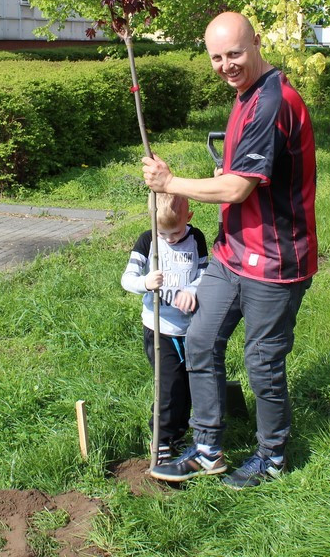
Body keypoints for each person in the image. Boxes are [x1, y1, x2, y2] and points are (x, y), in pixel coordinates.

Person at [142, 11, 317, 488]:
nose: (226, 65)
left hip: (276, 260)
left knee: (261, 361)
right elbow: (243, 173)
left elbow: (239, 189)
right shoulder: (245, 96)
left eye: (235, 53)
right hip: (232, 251)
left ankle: (272, 457)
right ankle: (207, 449)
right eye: (217, 57)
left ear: (257, 43)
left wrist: (170, 183)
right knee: (200, 340)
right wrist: (222, 176)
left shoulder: (272, 102)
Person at [121, 192, 208, 464]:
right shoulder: (148, 240)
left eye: (176, 232)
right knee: (169, 387)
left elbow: (205, 274)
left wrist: (193, 290)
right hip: (159, 328)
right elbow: (127, 279)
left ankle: (178, 432)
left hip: (189, 327)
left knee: (187, 385)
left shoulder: (197, 240)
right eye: (164, 233)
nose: (170, 239)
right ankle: (161, 438)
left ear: (189, 218)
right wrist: (146, 282)